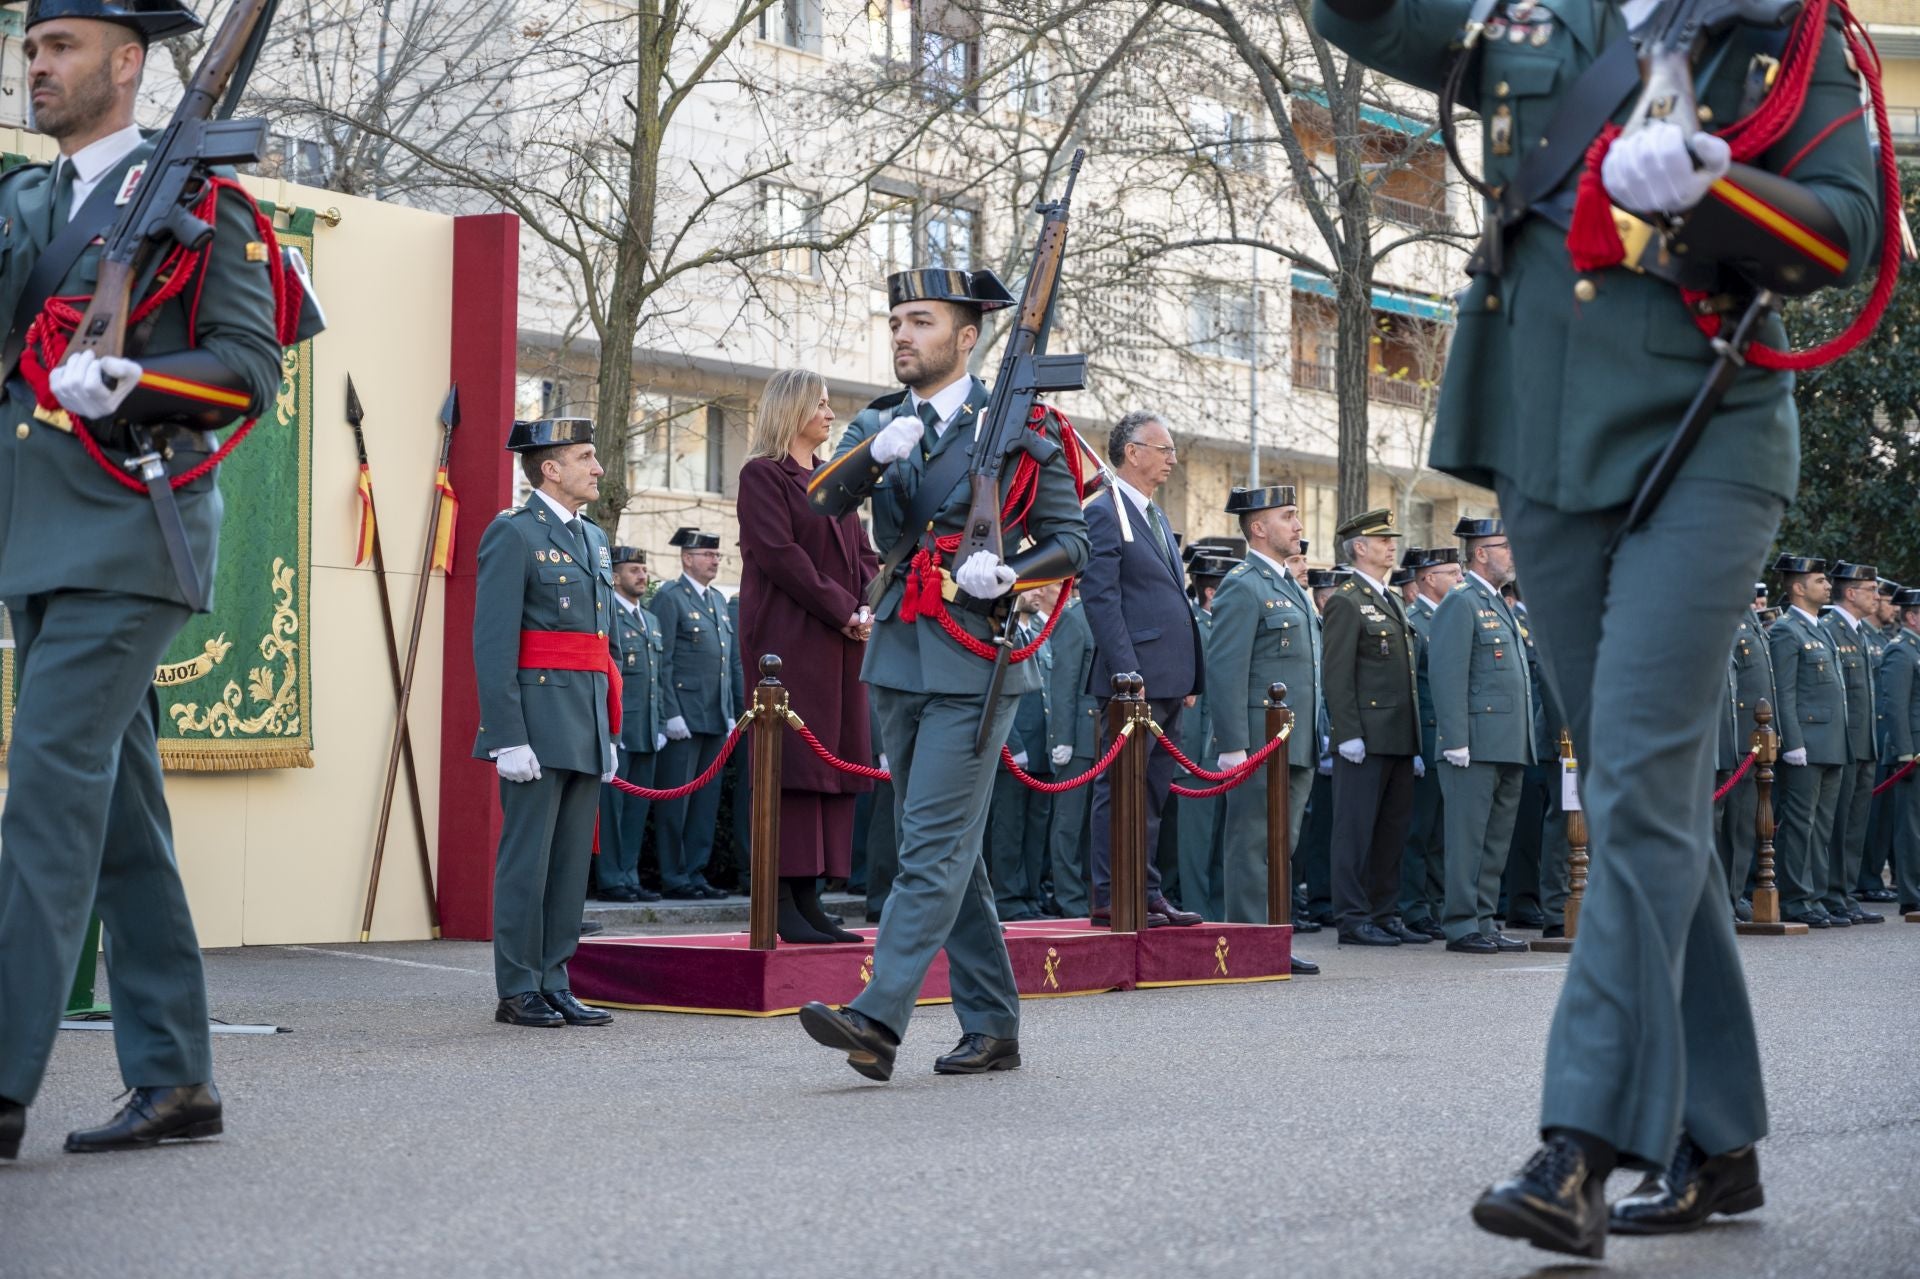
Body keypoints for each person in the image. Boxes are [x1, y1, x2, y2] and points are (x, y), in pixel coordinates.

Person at [1321, 0, 1882, 1247]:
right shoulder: (1528, 11)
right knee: (1648, 794)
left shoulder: (1777, 24)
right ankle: (1720, 1135)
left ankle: (1579, 1141)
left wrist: (1714, 188)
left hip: (1707, 432)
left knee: (1630, 777)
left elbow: (1851, 223)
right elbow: (1358, 17)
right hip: (1541, 440)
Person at [0, 0, 295, 1160]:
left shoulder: (204, 202)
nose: (36, 65)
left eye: (59, 47)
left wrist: (133, 380)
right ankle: (176, 1075)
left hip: (130, 534)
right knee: (120, 818)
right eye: (28, 48)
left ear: (128, 64)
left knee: (45, 798)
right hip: (33, 538)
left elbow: (248, 372)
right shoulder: (25, 201)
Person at [797, 265, 1088, 1081]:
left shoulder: (1023, 423)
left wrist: (1017, 572)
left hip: (973, 653)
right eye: (895, 321)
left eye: (920, 322)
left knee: (926, 840)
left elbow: (1075, 537)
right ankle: (993, 1024)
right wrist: (868, 458)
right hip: (896, 648)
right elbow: (820, 502)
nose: (901, 334)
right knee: (955, 849)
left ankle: (877, 1019)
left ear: (966, 338)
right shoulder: (881, 420)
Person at [473, 418, 619, 1030]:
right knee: (526, 861)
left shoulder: (592, 537)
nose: (598, 467)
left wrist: (607, 731)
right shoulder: (513, 534)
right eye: (587, 456)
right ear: (550, 469)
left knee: (566, 867)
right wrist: (506, 735)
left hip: (583, 718)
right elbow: (493, 642)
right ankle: (517, 987)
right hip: (534, 719)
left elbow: (598, 643)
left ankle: (556, 979)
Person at [736, 369, 876, 943]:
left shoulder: (834, 480)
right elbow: (778, 553)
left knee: (831, 765)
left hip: (839, 643)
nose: (829, 412)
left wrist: (868, 606)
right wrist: (844, 608)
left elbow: (863, 555)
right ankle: (781, 897)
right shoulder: (764, 475)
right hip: (789, 641)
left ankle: (811, 896)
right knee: (793, 767)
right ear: (791, 410)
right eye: (819, 403)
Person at [1081, 410, 1204, 929]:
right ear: (1132, 451)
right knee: (1120, 788)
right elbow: (1102, 599)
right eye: (1164, 448)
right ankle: (1111, 893)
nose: (1172, 459)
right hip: (1135, 680)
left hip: (1170, 677)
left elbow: (1175, 599)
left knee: (1153, 790)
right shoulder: (1105, 511)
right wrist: (1127, 677)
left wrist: (1192, 674)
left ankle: (1147, 890)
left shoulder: (1152, 514)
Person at [1210, 488, 1322, 930]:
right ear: (1258, 528)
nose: (1298, 525)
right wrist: (1233, 744)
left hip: (1295, 737)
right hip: (1258, 740)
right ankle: (1250, 938)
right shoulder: (1243, 584)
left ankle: (1274, 934)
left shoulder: (1287, 583)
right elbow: (1226, 669)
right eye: (1287, 516)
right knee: (1252, 842)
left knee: (1282, 843)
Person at [1320, 509, 1422, 947]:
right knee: (1355, 830)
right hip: (1365, 735)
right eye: (1382, 541)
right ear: (1359, 547)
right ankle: (1353, 915)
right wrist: (1348, 733)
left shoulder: (1393, 599)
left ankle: (1384, 910)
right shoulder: (1346, 599)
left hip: (1398, 734)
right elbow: (1337, 673)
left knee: (1391, 831)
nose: (1391, 546)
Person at [1432, 518, 1533, 954]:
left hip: (1507, 741)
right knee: (1468, 838)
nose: (1512, 553)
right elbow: (1448, 673)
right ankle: (1460, 924)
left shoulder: (1497, 603)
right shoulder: (1462, 601)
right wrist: (1455, 738)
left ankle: (1485, 919)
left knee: (1494, 840)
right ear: (1480, 553)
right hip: (1473, 743)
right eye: (1505, 546)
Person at [649, 527, 737, 900]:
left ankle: (696, 871)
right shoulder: (670, 597)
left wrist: (731, 711)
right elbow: (662, 661)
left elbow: (726, 663)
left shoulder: (717, 599)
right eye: (707, 555)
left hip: (715, 716)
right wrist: (670, 713)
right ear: (687, 558)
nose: (714, 560)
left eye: (716, 556)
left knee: (705, 802)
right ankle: (674, 874)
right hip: (683, 716)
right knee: (677, 800)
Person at [1770, 556, 1850, 928]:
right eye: (1820, 580)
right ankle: (1795, 898)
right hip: (1807, 740)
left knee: (1821, 824)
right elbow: (1782, 692)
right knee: (1800, 822)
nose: (1828, 586)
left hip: (1831, 740)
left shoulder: (1819, 628)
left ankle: (1815, 895)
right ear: (1799, 588)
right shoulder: (1786, 630)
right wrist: (1792, 740)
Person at [595, 547, 666, 903]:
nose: (641, 575)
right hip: (620, 730)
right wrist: (610, 727)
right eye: (633, 570)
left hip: (648, 731)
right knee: (612, 810)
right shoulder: (610, 616)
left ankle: (629, 874)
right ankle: (610, 878)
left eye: (643, 569)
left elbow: (659, 679)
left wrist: (664, 723)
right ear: (616, 576)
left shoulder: (651, 621)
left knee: (637, 810)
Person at [985, 589, 1061, 921]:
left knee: (1035, 828)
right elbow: (998, 694)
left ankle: (1029, 894)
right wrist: (1012, 745)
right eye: (1031, 587)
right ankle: (1007, 896)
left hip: (1039, 748)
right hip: (1014, 749)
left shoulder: (1035, 635)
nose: (1040, 593)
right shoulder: (1002, 634)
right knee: (1009, 827)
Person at [1817, 562, 1884, 926]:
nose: (1877, 596)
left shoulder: (1860, 633)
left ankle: (1844, 893)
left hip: (1863, 742)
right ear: (1852, 592)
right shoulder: (1831, 630)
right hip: (1841, 743)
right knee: (1837, 825)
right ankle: (1829, 893)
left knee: (1855, 825)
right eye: (1870, 589)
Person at [1174, 545, 1237, 921]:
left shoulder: (1225, 624)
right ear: (1212, 592)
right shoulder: (1190, 625)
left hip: (1224, 743)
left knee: (1220, 839)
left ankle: (1220, 907)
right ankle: (1198, 908)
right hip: (1195, 747)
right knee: (1196, 842)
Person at [1400, 547, 1460, 939]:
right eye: (1450, 572)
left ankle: (1437, 904)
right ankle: (1413, 906)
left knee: (1441, 831)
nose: (1458, 578)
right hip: (1427, 736)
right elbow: (1410, 687)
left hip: (1448, 737)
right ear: (1427, 579)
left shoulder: (1449, 617)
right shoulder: (1413, 621)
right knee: (1418, 831)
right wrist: (1416, 745)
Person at [1716, 598, 1775, 920]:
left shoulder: (1747, 615)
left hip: (1751, 735)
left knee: (1742, 826)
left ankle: (1733, 894)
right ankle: (1720, 899)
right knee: (1722, 823)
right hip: (1732, 735)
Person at [1045, 583, 1099, 919]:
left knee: (1101, 823)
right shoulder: (1075, 618)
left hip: (1111, 734)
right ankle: (1069, 898)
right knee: (1069, 822)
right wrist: (1062, 737)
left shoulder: (1117, 614)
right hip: (1079, 735)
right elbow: (1063, 682)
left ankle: (1099, 895)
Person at [1877, 588, 1920, 915]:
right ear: (1913, 616)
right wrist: (1905, 752)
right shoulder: (1901, 651)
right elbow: (1895, 705)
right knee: (1911, 826)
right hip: (1913, 752)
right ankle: (1912, 893)